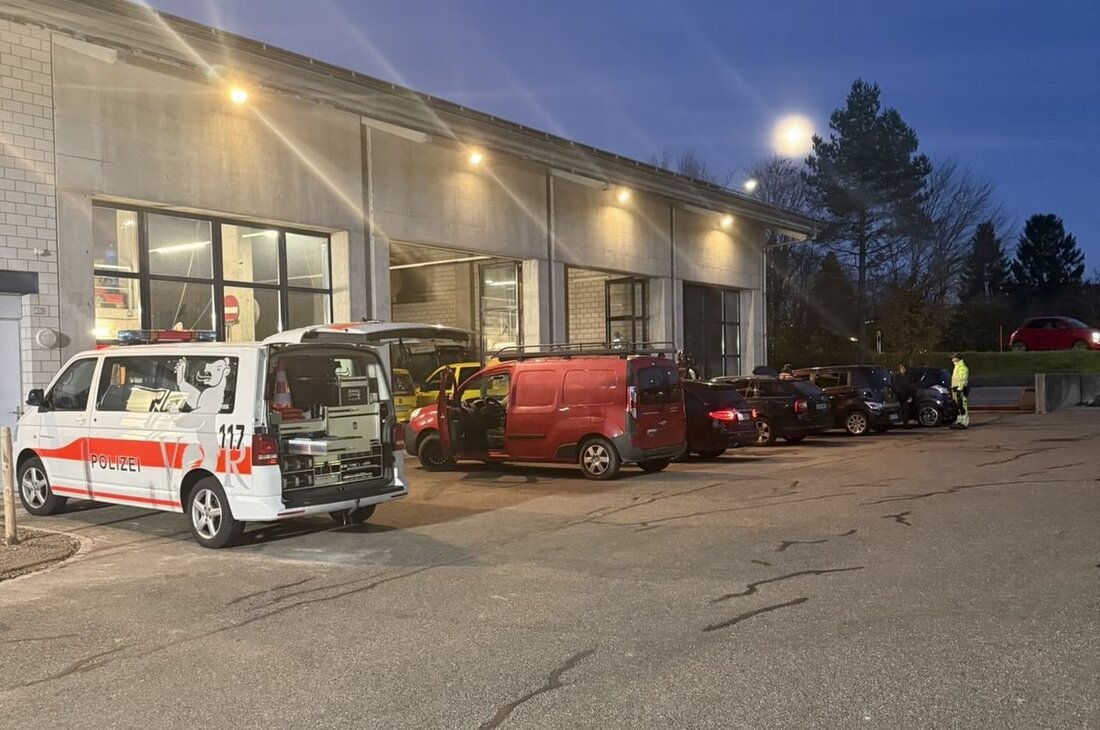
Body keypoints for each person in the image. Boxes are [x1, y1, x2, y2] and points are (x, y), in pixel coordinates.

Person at [950, 353, 970, 430]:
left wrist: (959, 389)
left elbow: (963, 379)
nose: (952, 360)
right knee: (958, 406)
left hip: (960, 389)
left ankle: (964, 422)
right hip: (955, 389)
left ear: (957, 358)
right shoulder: (956, 367)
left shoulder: (962, 367)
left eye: (953, 358)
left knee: (962, 406)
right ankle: (959, 421)